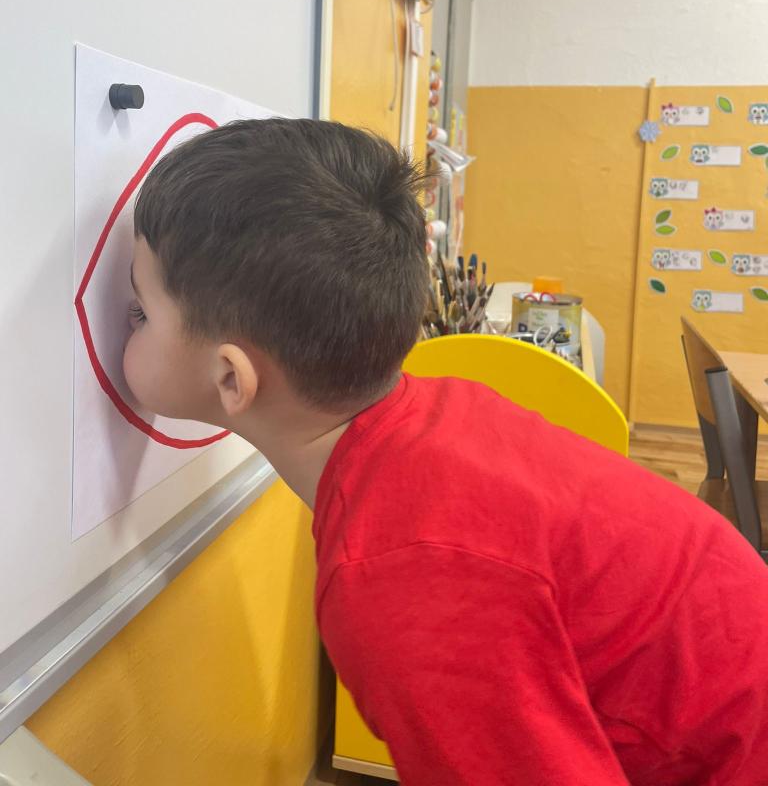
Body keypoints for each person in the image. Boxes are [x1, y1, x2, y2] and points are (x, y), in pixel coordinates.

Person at [123, 118, 768, 785]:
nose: (123, 323)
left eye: (139, 312)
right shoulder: (438, 413)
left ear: (232, 378)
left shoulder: (405, 578)